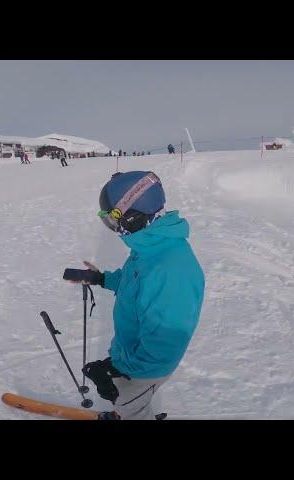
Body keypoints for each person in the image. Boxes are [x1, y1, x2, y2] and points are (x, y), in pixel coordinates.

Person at [65, 171, 205, 420]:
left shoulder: (170, 269)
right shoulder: (152, 245)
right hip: (131, 354)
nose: (113, 229)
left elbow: (164, 344)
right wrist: (102, 278)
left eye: (112, 221)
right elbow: (136, 283)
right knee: (126, 402)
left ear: (132, 219)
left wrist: (117, 369)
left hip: (146, 368)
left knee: (130, 405)